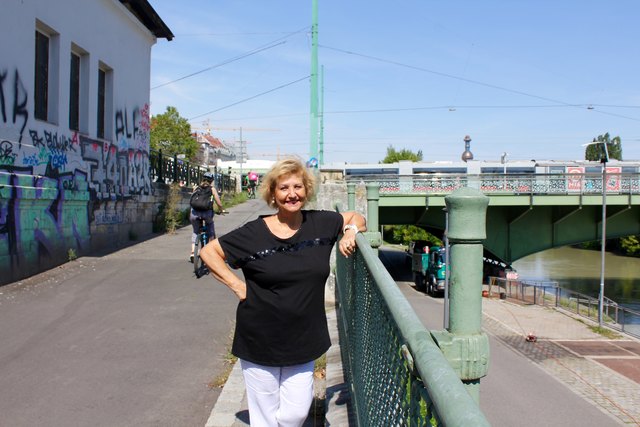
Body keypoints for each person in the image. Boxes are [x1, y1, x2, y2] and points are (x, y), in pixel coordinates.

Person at [199, 157, 366, 427]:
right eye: (284, 188)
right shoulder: (253, 233)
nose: (292, 194)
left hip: (304, 337)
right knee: (264, 417)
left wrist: (350, 231)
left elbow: (357, 216)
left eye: (298, 187)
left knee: (296, 413)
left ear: (306, 190)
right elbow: (209, 252)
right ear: (273, 194)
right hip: (259, 337)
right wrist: (237, 286)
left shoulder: (321, 223)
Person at [190, 172, 224, 263]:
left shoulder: (196, 188)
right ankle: (211, 252)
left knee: (195, 231)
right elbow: (218, 201)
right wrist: (221, 209)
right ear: (211, 180)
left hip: (194, 213)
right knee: (210, 228)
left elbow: (192, 199)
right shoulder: (212, 189)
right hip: (206, 213)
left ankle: (193, 252)